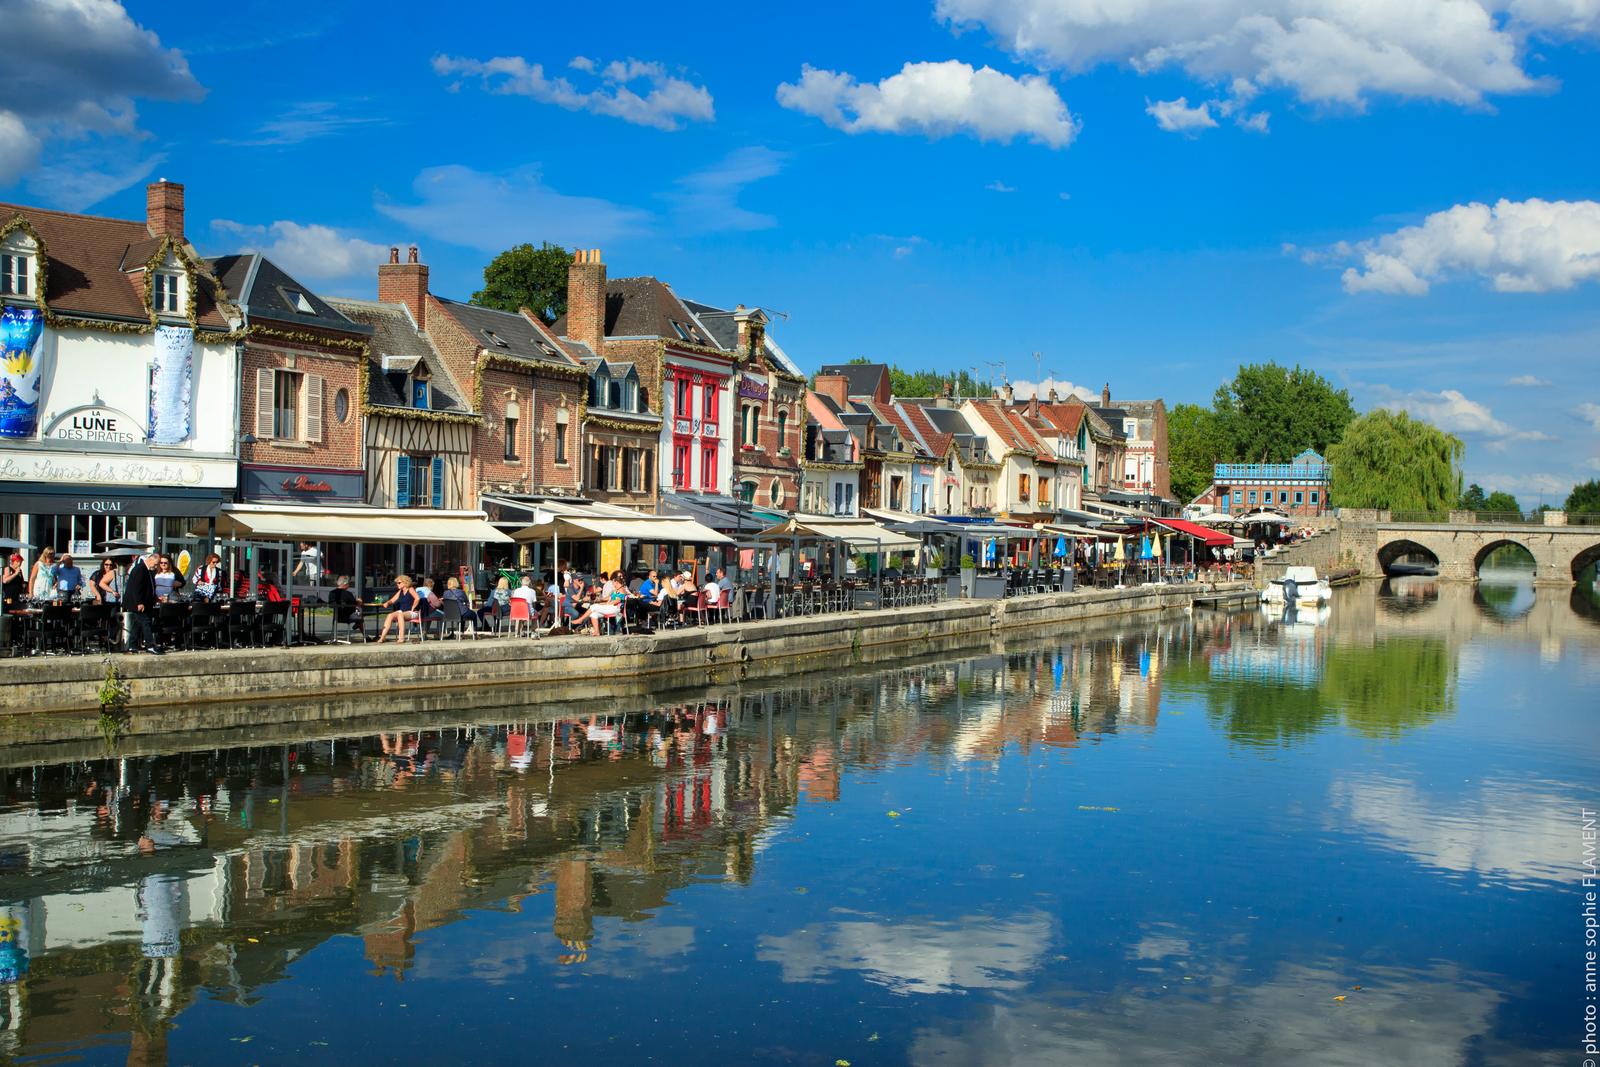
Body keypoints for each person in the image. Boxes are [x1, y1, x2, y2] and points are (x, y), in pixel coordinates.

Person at [124, 550, 160, 653]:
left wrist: (155, 597)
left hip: (145, 602)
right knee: (146, 622)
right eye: (155, 564)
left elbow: (149, 587)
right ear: (150, 559)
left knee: (137, 624)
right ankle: (150, 645)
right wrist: (139, 602)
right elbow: (136, 588)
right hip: (138, 602)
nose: (156, 566)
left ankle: (132, 645)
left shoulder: (148, 570)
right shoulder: (140, 569)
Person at [375, 574, 419, 643]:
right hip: (402, 612)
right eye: (397, 583)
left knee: (400, 615)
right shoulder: (400, 591)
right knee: (390, 615)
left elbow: (417, 598)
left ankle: (401, 638)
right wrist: (387, 603)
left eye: (399, 583)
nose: (397, 584)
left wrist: (413, 607)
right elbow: (392, 600)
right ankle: (382, 637)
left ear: (405, 582)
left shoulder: (410, 589)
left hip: (412, 612)